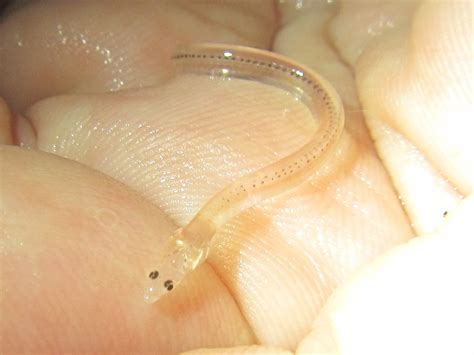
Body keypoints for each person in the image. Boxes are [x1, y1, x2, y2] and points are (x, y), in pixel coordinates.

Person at [0, 1, 472, 354]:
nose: (161, 286)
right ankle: (190, 59)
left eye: (161, 281)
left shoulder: (204, 231)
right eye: (163, 278)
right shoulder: (201, 232)